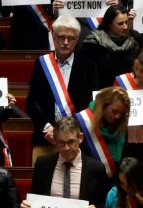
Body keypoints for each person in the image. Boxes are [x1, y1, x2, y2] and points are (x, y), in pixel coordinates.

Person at [26, 15, 99, 164]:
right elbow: (32, 102)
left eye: (70, 38)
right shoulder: (42, 63)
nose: (65, 42)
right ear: (53, 37)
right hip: (46, 139)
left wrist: (71, 132)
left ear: (77, 40)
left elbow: (91, 105)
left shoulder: (88, 66)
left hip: (76, 141)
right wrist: (47, 127)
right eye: (61, 37)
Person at [77, 7, 137, 86]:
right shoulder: (92, 44)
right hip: (102, 90)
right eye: (120, 24)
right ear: (109, 24)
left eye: (126, 22)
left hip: (128, 90)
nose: (125, 27)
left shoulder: (133, 41)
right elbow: (85, 75)